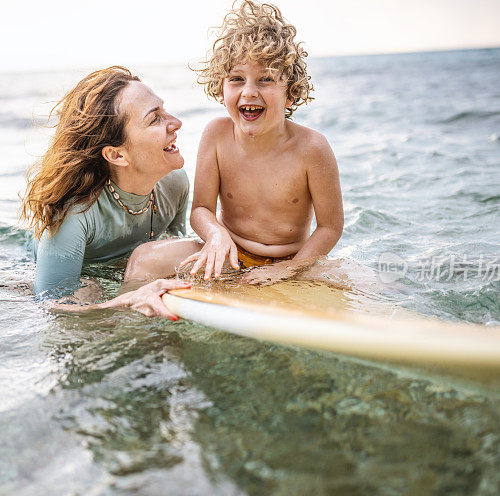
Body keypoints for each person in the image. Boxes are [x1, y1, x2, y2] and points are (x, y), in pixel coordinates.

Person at [180, 0, 343, 284]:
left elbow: (330, 227)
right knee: (144, 259)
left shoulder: (312, 148)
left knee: (370, 286)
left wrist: (288, 270)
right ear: (221, 87)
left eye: (265, 79)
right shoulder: (216, 135)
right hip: (229, 253)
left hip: (294, 259)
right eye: (237, 79)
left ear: (290, 93)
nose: (249, 92)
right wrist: (216, 236)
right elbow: (200, 210)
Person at [20, 66, 191, 319]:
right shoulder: (74, 214)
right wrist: (127, 300)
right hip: (35, 265)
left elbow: (175, 251)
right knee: (89, 290)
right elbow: (50, 305)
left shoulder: (175, 184)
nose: (176, 123)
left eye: (164, 110)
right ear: (117, 155)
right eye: (154, 118)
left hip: (119, 263)